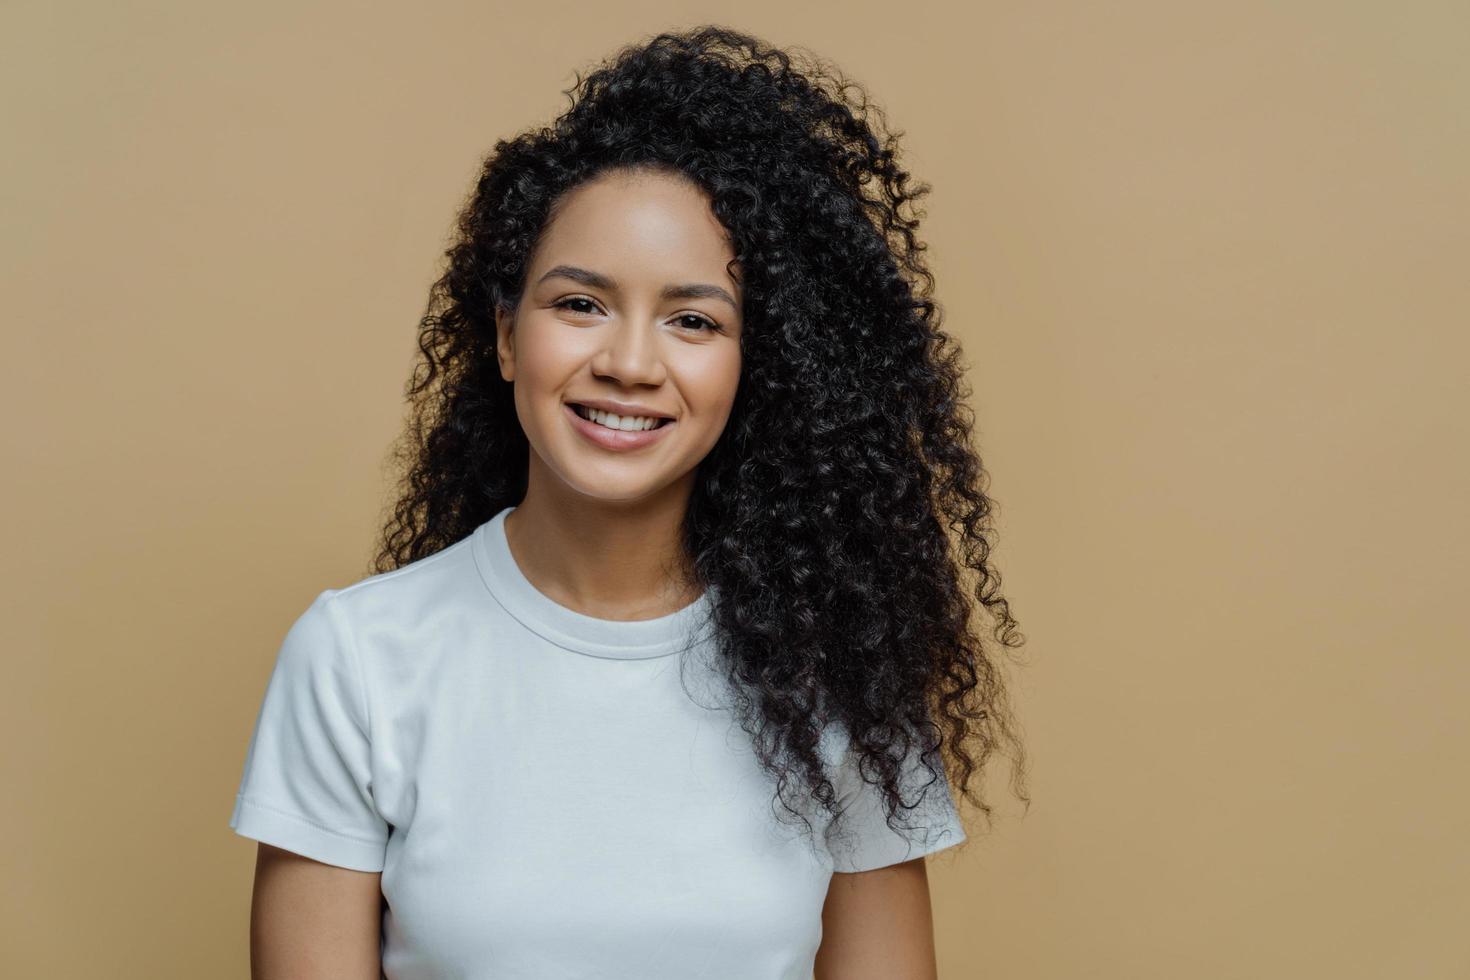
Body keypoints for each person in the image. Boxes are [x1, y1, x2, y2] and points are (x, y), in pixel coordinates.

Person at [229, 24, 1029, 980]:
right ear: (504, 338)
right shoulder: (358, 662)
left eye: (693, 320)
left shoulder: (841, 678)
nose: (630, 363)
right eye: (579, 304)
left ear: (752, 369)